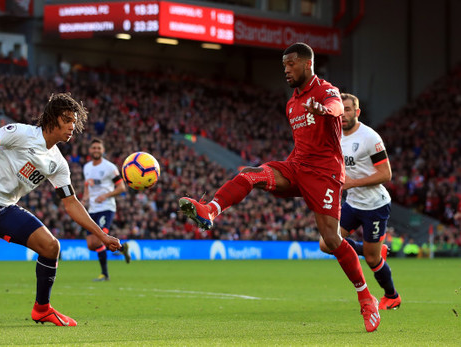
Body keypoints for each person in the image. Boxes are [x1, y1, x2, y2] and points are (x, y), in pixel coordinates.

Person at [179, 42, 381, 332]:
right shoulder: (291, 103)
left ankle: (366, 297)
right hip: (296, 166)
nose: (285, 70)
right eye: (283, 65)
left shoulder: (326, 90)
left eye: (291, 64)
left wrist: (324, 109)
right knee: (251, 174)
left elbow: (336, 107)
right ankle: (210, 210)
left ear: (307, 65)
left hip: (324, 174)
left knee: (332, 240)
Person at [0, 93, 123, 327]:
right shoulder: (22, 133)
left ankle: (42, 309)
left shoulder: (58, 163)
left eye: (75, 121)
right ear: (53, 119)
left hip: (6, 207)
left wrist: (102, 235)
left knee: (51, 247)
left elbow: (71, 203)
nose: (73, 126)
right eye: (68, 120)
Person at [319, 93, 401, 310]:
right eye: (341, 109)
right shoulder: (336, 135)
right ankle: (369, 249)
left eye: (348, 109)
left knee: (374, 262)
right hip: (353, 204)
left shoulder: (370, 138)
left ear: (357, 112)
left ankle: (392, 296)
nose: (343, 114)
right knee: (326, 244)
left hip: (375, 205)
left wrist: (353, 183)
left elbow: (385, 174)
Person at [82, 138, 130, 282]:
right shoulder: (87, 167)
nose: (96, 150)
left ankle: (105, 275)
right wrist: (85, 198)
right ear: (90, 150)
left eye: (99, 148)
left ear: (103, 150)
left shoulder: (110, 167)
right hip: (92, 209)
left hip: (106, 208)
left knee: (98, 241)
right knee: (91, 245)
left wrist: (106, 195)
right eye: (94, 148)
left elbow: (121, 187)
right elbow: (87, 185)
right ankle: (122, 248)